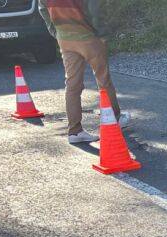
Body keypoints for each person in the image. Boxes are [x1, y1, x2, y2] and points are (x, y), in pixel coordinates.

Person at [37, 0, 130, 144]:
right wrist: (102, 34)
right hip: (88, 37)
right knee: (103, 80)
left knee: (72, 85)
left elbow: (42, 9)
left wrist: (55, 31)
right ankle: (115, 119)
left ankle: (74, 131)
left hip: (65, 39)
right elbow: (94, 11)